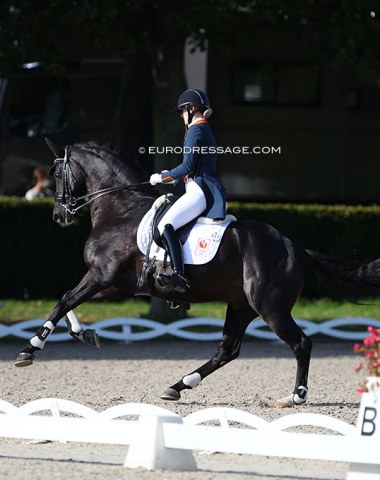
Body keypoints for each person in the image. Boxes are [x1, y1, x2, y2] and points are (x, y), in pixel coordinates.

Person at [149, 88, 227, 293]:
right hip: (198, 185)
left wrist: (162, 177)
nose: (182, 116)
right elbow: (195, 168)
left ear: (191, 109)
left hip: (199, 190)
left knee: (166, 225)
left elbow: (187, 167)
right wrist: (176, 179)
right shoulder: (203, 129)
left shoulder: (195, 130)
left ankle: (179, 275)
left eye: (182, 112)